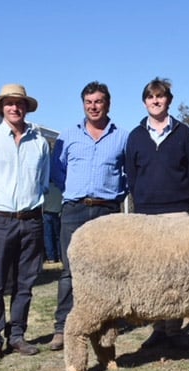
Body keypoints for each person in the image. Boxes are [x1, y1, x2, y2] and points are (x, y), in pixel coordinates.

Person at [0, 83, 50, 363]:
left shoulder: (39, 143)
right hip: (0, 220)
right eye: (10, 103)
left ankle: (17, 336)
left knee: (25, 284)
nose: (15, 108)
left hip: (31, 220)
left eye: (20, 103)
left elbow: (44, 181)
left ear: (26, 107)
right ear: (2, 108)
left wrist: (33, 202)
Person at [49, 81, 129, 351]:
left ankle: (107, 323)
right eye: (89, 102)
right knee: (70, 271)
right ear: (83, 105)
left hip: (107, 211)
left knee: (110, 270)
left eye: (98, 102)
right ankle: (62, 327)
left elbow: (128, 172)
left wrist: (117, 193)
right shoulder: (68, 136)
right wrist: (73, 188)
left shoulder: (122, 137)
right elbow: (56, 171)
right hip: (75, 209)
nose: (94, 107)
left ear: (108, 104)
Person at [125, 77, 189, 349]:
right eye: (150, 97)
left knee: (178, 274)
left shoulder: (184, 134)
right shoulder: (135, 136)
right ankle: (158, 328)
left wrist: (185, 199)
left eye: (160, 96)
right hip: (146, 216)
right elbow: (131, 175)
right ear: (145, 101)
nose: (155, 101)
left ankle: (174, 329)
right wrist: (142, 201)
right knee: (153, 273)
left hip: (178, 213)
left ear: (169, 100)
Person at [42, 181, 62, 264]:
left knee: (48, 237)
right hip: (57, 213)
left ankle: (51, 257)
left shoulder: (46, 188)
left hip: (46, 213)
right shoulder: (59, 188)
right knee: (58, 236)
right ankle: (60, 256)